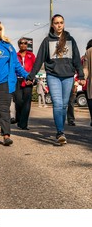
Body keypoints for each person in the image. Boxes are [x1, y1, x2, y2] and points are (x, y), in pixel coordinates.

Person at [27, 14, 85, 145]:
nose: (59, 25)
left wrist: (80, 75)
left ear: (64, 24)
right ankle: (60, 132)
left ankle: (61, 129)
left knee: (64, 105)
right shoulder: (47, 41)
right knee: (58, 104)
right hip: (53, 76)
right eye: (56, 23)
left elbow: (76, 59)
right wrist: (31, 76)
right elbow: (39, 60)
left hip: (68, 76)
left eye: (61, 22)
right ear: (52, 25)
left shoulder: (70, 40)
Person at [13, 38, 36, 130]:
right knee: (18, 101)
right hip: (17, 80)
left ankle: (23, 124)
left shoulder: (31, 55)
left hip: (28, 81)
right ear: (18, 45)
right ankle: (18, 118)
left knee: (26, 103)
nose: (23, 45)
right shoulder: (15, 55)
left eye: (25, 43)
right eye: (21, 43)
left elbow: (35, 68)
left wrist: (32, 78)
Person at [83, 39, 92, 126]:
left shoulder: (87, 53)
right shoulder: (88, 53)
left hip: (88, 86)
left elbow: (85, 69)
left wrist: (82, 79)